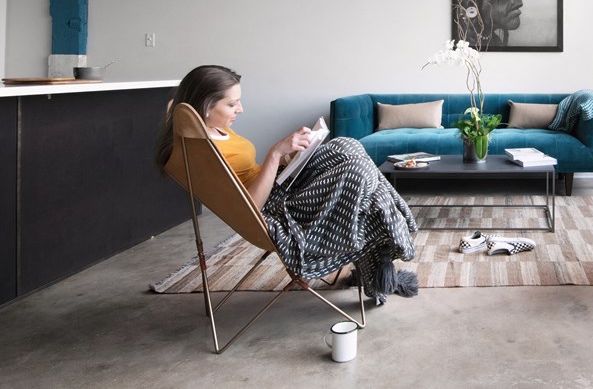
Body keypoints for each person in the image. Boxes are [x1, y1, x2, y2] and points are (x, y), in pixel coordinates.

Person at [156, 65, 418, 304]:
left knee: (347, 145)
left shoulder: (212, 129)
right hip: (276, 206)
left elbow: (251, 173)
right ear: (205, 106)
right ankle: (384, 250)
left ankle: (378, 257)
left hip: (280, 184)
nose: (240, 109)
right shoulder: (204, 150)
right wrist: (275, 153)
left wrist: (292, 159)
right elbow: (251, 206)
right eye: (232, 104)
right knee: (358, 171)